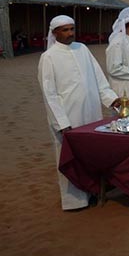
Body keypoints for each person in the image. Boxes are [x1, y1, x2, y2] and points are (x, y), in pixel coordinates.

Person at [38, 15, 120, 210]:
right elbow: (49, 94)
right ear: (55, 33)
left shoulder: (82, 49)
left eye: (72, 29)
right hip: (68, 117)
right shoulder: (48, 57)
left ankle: (93, 191)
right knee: (71, 157)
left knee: (91, 155)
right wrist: (62, 123)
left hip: (91, 113)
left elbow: (100, 79)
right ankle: (75, 201)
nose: (70, 33)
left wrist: (111, 99)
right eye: (65, 30)